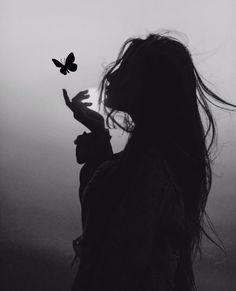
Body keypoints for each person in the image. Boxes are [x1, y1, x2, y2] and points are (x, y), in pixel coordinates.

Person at [63, 31, 236, 291]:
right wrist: (99, 137)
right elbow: (109, 222)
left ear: (152, 86)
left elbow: (116, 265)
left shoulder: (152, 171)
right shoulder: (149, 163)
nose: (111, 75)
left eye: (127, 68)